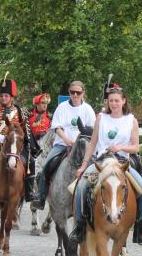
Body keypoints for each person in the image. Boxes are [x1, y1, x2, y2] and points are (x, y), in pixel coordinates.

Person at [75, 85, 142, 245]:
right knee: (80, 187)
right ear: (107, 102)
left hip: (122, 163)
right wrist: (83, 165)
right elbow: (93, 142)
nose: (114, 103)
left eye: (117, 100)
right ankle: (79, 227)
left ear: (123, 101)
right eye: (111, 101)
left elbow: (136, 147)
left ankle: (139, 227)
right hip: (102, 161)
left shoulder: (132, 120)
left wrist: (121, 147)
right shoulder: (101, 118)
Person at [0, 74, 39, 202]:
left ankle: (29, 192)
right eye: (1, 96)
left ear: (11, 97)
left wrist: (19, 138)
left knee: (30, 161)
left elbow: (26, 130)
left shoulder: (20, 111)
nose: (3, 98)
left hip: (15, 147)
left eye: (6, 96)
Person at [32, 81, 96, 210]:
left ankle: (95, 198)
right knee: (46, 165)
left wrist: (81, 142)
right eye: (73, 92)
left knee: (96, 168)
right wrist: (66, 139)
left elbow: (93, 129)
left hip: (83, 146)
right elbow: (56, 126)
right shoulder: (62, 107)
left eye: (78, 92)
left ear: (83, 93)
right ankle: (41, 196)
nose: (75, 95)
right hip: (62, 144)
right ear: (69, 93)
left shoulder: (88, 109)